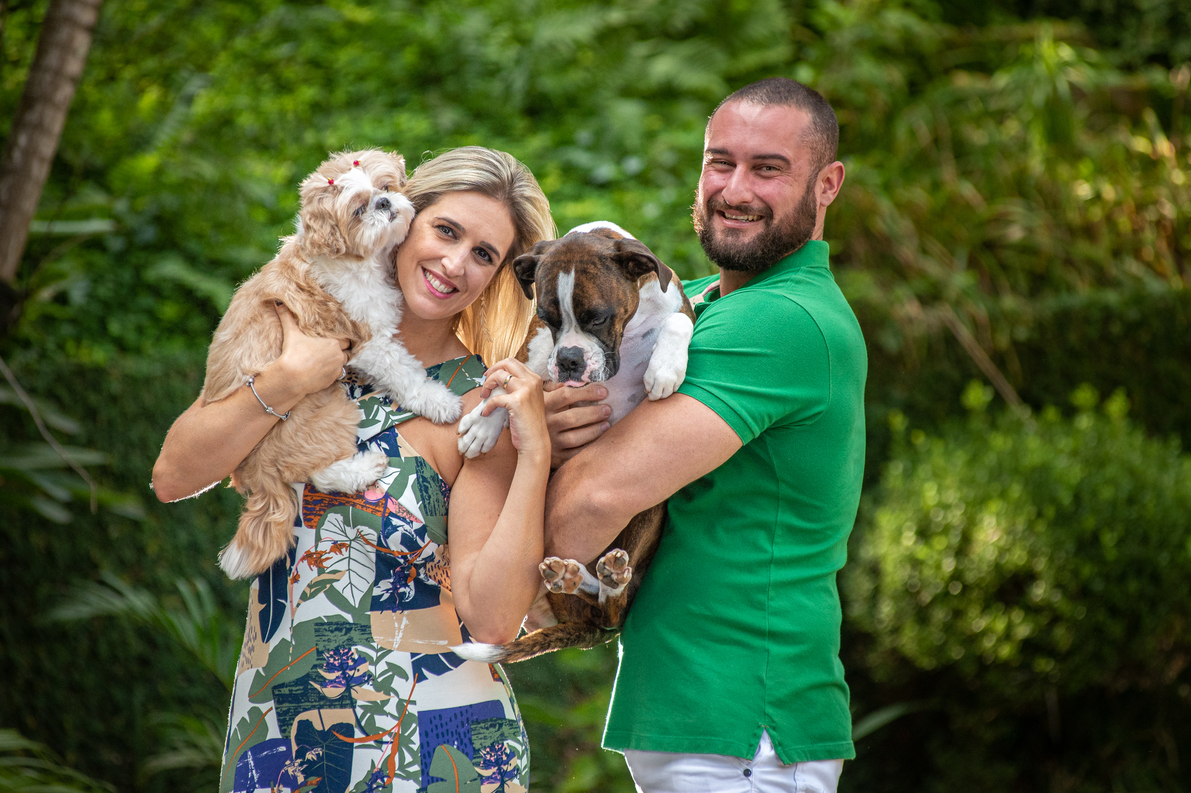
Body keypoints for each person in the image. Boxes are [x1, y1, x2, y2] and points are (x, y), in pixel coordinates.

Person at [152, 146, 556, 793]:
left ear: (498, 275)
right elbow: (173, 475)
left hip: (429, 749)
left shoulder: (477, 404)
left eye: (484, 254)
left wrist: (534, 453)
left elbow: (492, 620)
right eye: (446, 230)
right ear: (405, 218)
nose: (456, 263)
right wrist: (286, 380)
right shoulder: (294, 328)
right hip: (278, 733)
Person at [543, 78, 867, 793]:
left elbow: (584, 510)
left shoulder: (779, 319)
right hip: (701, 724)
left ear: (827, 184)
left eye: (768, 168)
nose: (735, 188)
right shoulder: (691, 305)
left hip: (743, 725)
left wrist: (537, 460)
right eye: (721, 162)